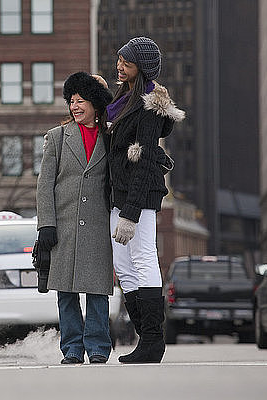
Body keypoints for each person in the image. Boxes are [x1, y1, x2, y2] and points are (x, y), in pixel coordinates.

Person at [103, 37, 185, 363]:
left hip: (140, 196)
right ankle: (145, 338)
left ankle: (153, 341)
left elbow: (147, 158)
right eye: (119, 59)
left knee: (143, 260)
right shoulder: (122, 98)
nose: (119, 66)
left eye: (126, 62)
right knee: (123, 266)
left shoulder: (150, 105)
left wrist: (131, 212)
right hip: (119, 194)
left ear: (142, 67)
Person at [37, 71, 114, 365]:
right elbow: (45, 184)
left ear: (95, 103)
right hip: (64, 224)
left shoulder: (110, 136)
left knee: (97, 290)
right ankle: (71, 347)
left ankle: (97, 346)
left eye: (81, 100)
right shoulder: (57, 137)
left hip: (98, 224)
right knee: (66, 291)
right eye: (72, 101)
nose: (74, 106)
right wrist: (46, 224)